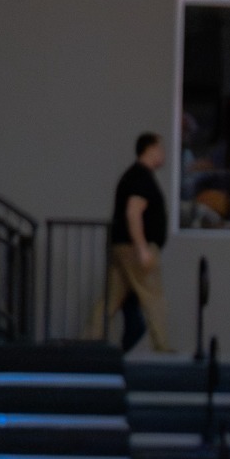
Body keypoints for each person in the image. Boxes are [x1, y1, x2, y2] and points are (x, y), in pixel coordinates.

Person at [88, 132, 173, 354]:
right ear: (150, 149)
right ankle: (162, 346)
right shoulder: (140, 178)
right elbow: (133, 213)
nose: (163, 155)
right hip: (134, 249)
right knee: (153, 296)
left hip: (123, 248)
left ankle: (88, 341)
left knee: (110, 300)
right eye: (161, 149)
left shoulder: (133, 176)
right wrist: (142, 248)